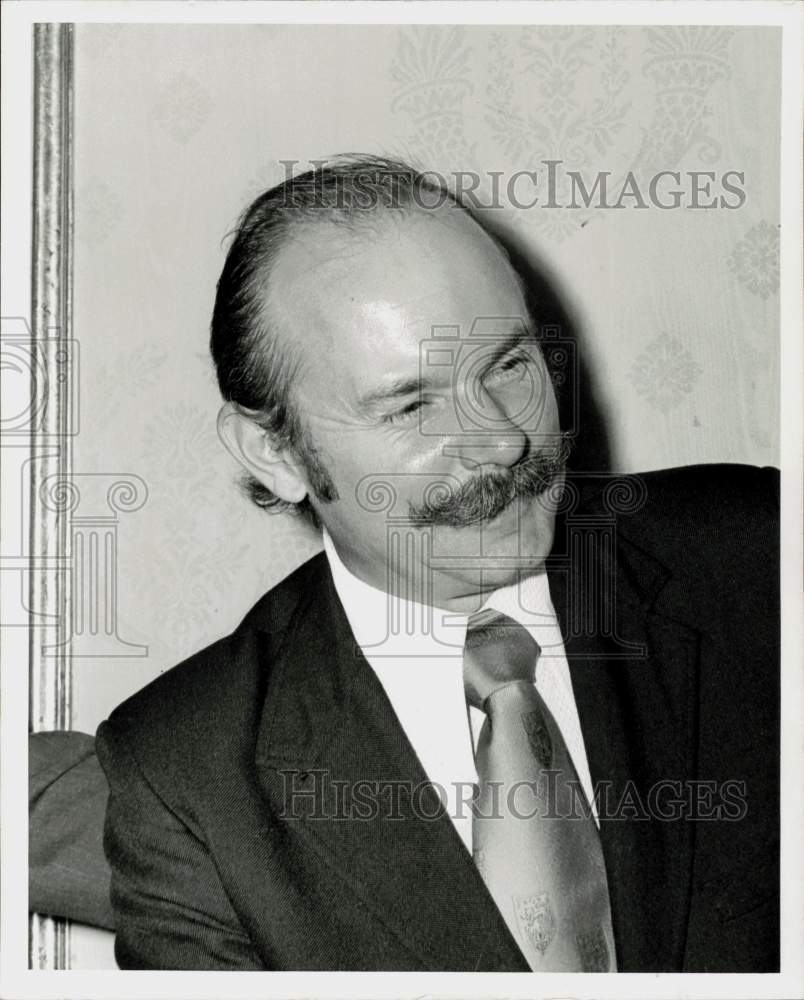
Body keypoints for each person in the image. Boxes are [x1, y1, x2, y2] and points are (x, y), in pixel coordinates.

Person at [91, 156, 779, 972]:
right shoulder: (185, 776)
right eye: (413, 406)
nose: (504, 441)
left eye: (510, 366)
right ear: (274, 452)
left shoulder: (758, 556)